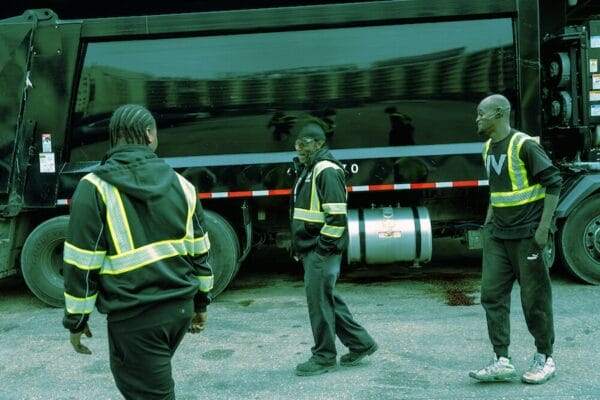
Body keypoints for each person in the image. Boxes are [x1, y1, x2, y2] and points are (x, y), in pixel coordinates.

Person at [62, 104, 213, 399]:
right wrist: (201, 305)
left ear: (113, 137)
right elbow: (201, 253)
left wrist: (76, 322)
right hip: (179, 311)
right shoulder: (183, 185)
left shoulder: (94, 188)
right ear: (148, 134)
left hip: (135, 320)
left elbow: (81, 264)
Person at [469, 94, 562, 384]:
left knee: (534, 299)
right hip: (498, 234)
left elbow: (554, 183)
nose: (477, 119)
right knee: (492, 295)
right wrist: (488, 223)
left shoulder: (524, 145)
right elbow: (497, 190)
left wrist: (543, 230)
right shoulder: (487, 148)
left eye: (482, 114)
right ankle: (501, 360)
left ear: (498, 114)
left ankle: (544, 358)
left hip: (527, 236)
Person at [290, 122, 378, 376]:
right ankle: (361, 343)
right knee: (326, 299)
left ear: (319, 144)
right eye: (297, 144)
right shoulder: (310, 168)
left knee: (318, 304)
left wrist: (320, 250)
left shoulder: (326, 170)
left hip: (320, 251)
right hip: (312, 249)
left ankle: (324, 357)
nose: (299, 148)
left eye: (304, 143)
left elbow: (336, 217)